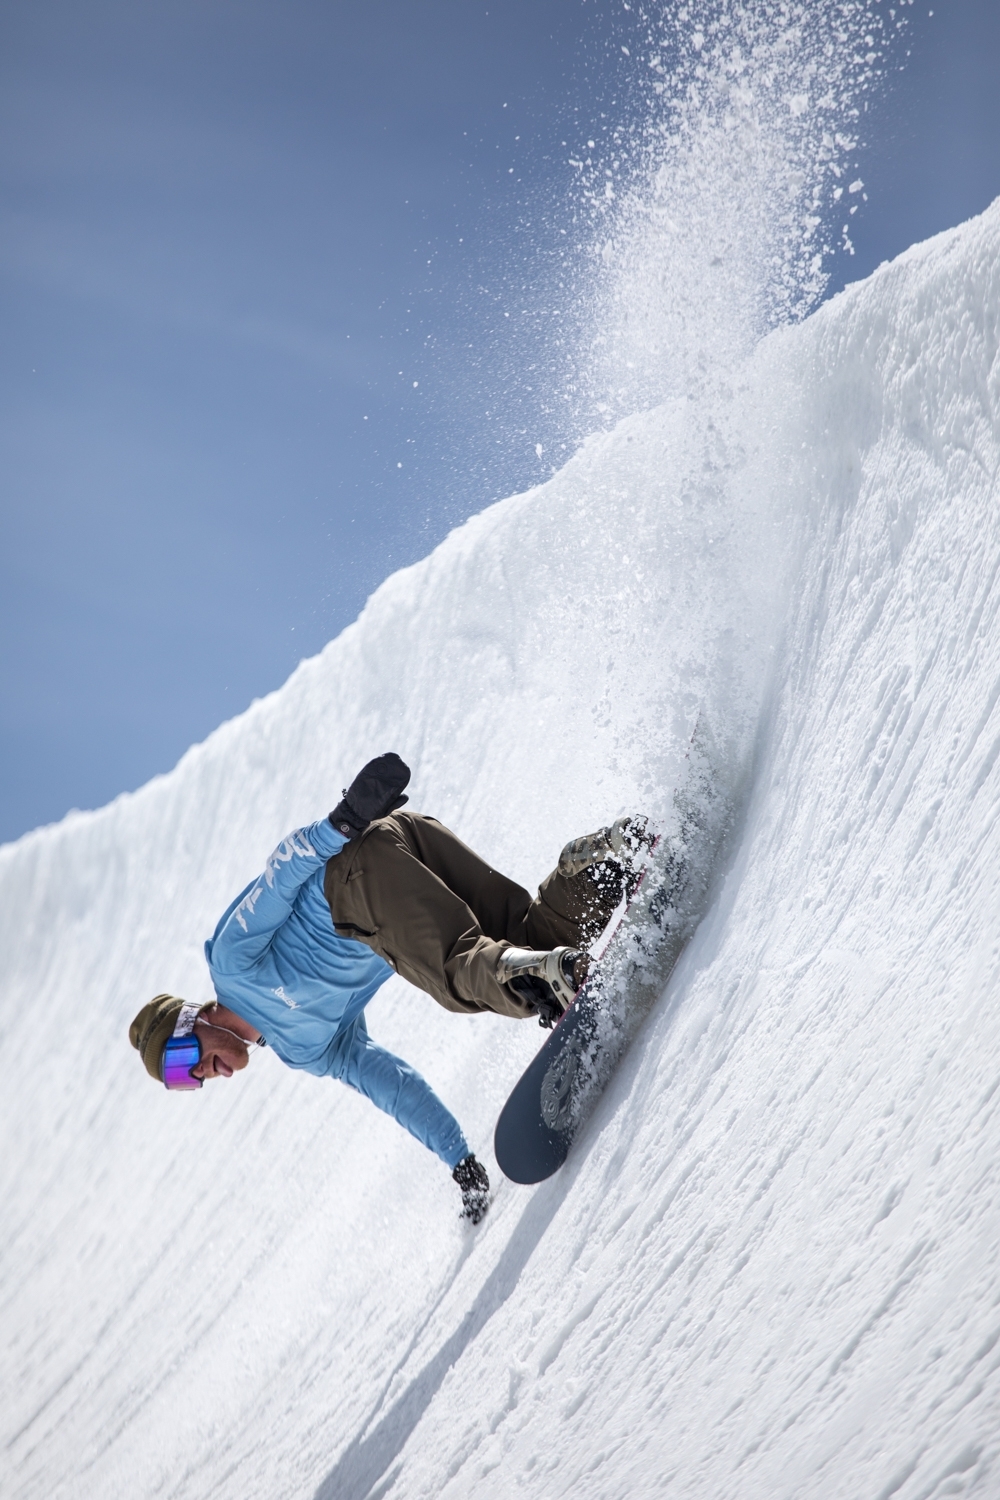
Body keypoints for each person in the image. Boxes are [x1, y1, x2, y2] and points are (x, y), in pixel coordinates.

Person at [129, 754, 649, 1222]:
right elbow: (389, 1083)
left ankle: (545, 974)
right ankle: (598, 863)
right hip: (403, 846)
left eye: (179, 1060)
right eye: (182, 1082)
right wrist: (458, 1160)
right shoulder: (304, 1050)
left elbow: (279, 876)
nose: (196, 1075)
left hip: (356, 872)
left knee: (457, 973)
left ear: (192, 1020)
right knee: (529, 936)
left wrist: (342, 822)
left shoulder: (232, 964)